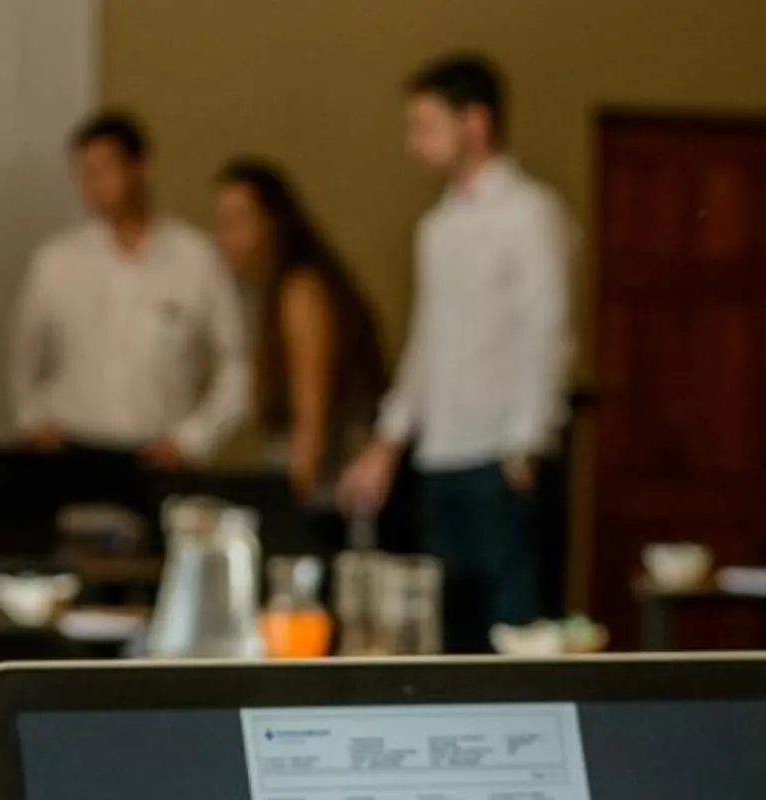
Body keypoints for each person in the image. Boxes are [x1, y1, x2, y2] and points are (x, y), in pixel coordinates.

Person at [339, 55, 573, 646]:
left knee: (513, 623)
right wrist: (388, 441)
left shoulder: (530, 214)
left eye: (425, 124)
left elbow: (548, 328)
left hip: (504, 453)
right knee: (448, 625)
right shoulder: (437, 226)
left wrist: (528, 441)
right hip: (442, 449)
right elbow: (429, 340)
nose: (415, 142)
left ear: (474, 122)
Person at [10, 111, 249, 469]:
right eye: (84, 174)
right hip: (72, 448)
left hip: (159, 453)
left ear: (140, 167)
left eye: (103, 171)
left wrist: (193, 438)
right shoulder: (56, 262)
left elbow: (237, 364)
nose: (92, 186)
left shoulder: (196, 260)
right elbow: (23, 356)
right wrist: (31, 419)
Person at [210, 159, 386, 507]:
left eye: (237, 221)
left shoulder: (301, 292)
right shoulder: (264, 295)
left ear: (271, 222)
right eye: (221, 223)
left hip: (330, 491)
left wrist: (290, 503)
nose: (225, 236)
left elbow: (311, 416)